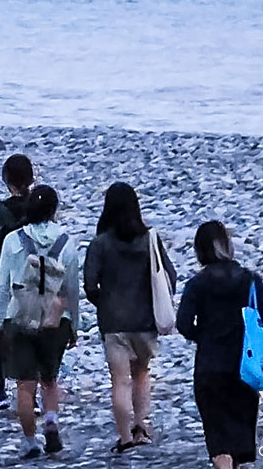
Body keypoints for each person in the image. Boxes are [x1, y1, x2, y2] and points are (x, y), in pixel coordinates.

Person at [176, 220, 263, 469]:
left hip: (210, 366)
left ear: (200, 251)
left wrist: (203, 336)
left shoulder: (197, 284)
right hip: (245, 365)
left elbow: (183, 324)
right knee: (240, 438)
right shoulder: (251, 281)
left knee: (218, 439)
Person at [84, 181, 177, 454]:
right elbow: (170, 275)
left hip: (114, 322)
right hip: (145, 321)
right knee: (142, 375)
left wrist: (104, 304)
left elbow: (90, 285)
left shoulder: (100, 244)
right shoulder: (150, 239)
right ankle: (142, 427)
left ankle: (124, 437)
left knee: (119, 381)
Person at [0, 185, 80, 461]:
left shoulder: (13, 240)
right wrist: (74, 324)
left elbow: (2, 284)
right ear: (54, 210)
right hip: (54, 320)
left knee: (24, 386)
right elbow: (71, 289)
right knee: (50, 379)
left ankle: (30, 441)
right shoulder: (66, 242)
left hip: (19, 317)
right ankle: (51, 419)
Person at [0, 154, 33, 411]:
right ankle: (33, 389)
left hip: (5, 279)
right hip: (36, 281)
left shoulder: (0, 213)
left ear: (6, 180)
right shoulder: (40, 207)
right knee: (34, 333)